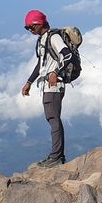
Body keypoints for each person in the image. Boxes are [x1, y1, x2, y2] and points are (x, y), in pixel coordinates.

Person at [21, 10, 72, 168]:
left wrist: (55, 72)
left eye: (31, 26)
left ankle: (56, 157)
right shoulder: (42, 40)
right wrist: (29, 82)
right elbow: (41, 64)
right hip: (47, 85)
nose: (30, 30)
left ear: (39, 24)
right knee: (53, 119)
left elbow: (67, 54)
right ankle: (57, 155)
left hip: (54, 86)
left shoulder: (53, 37)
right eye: (27, 28)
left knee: (53, 119)